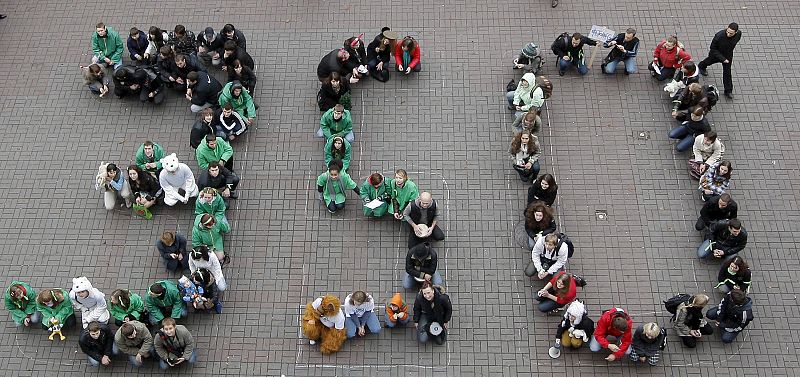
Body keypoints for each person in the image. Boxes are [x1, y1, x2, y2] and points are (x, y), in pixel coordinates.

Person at [698, 23, 741, 98]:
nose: (728, 34)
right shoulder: (719, 36)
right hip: (716, 54)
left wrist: (726, 57)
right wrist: (722, 59)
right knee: (708, 61)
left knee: (727, 73)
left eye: (731, 33)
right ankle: (701, 66)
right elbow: (713, 48)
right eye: (727, 32)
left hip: (728, 55)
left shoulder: (739, 34)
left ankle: (728, 90)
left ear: (736, 32)